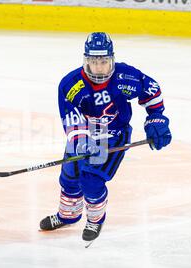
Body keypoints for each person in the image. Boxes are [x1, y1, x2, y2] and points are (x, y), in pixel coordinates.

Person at [39, 32, 172, 243]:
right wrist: (82, 142)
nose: (99, 67)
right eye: (94, 62)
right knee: (69, 177)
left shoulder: (125, 76)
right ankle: (68, 215)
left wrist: (156, 118)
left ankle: (95, 219)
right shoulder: (70, 85)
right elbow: (71, 118)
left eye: (104, 61)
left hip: (113, 135)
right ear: (86, 60)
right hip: (84, 134)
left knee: (91, 179)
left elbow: (151, 90)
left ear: (112, 59)